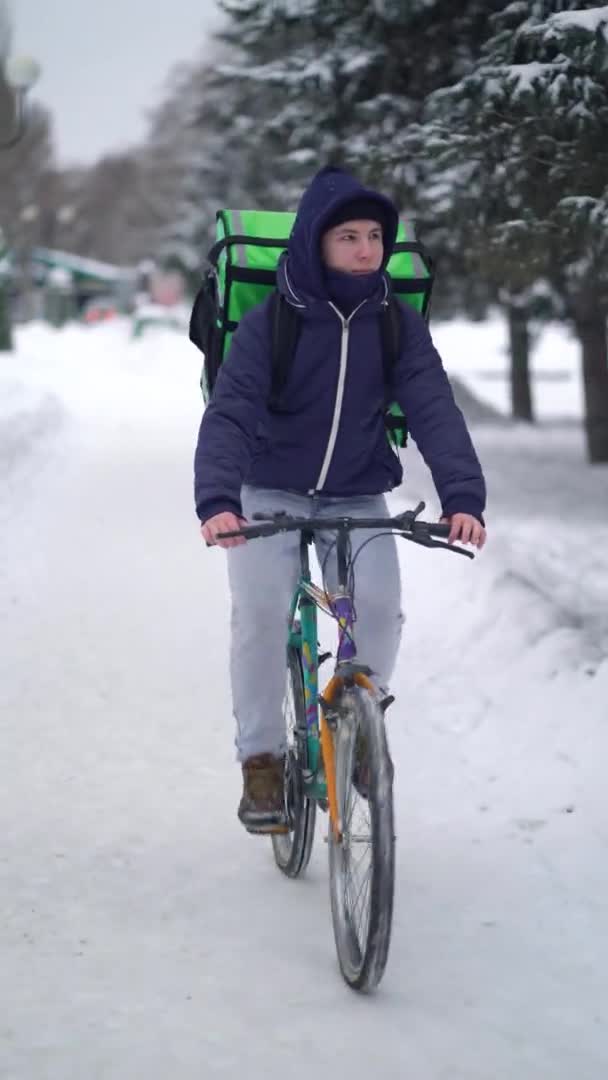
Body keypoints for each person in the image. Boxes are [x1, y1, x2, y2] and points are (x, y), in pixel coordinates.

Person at [194, 165, 486, 834]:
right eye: (347, 236)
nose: (363, 249)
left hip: (355, 489)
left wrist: (463, 495)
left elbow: (435, 410)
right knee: (264, 612)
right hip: (266, 488)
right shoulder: (275, 321)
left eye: (375, 236)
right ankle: (262, 760)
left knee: (378, 606)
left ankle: (360, 721)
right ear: (313, 243)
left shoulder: (397, 324)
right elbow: (232, 412)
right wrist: (218, 500)